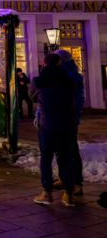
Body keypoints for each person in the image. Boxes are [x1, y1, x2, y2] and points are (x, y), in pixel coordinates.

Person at [30, 53, 76, 207]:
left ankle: (46, 192)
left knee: (46, 157)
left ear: (44, 63)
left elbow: (32, 96)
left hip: (47, 124)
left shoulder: (38, 81)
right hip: (66, 124)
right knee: (65, 158)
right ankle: (69, 193)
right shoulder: (68, 81)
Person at [54, 49, 86, 196]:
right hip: (59, 116)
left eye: (58, 59)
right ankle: (64, 177)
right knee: (60, 149)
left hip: (69, 117)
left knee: (71, 150)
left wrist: (75, 114)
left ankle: (77, 182)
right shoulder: (58, 73)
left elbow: (77, 99)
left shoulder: (72, 76)